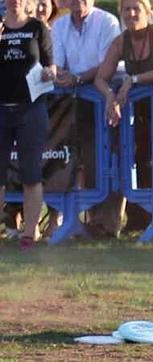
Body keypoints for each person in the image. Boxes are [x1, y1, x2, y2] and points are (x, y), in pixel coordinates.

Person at [94, 0, 153, 234]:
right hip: (147, 107)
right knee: (140, 156)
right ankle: (143, 218)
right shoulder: (121, 41)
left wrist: (133, 80)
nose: (131, 14)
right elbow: (101, 77)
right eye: (126, 9)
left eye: (136, 8)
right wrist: (109, 96)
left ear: (148, 12)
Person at [52, 0, 121, 237]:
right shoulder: (59, 25)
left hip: (104, 101)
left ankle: (106, 224)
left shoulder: (108, 21)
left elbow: (106, 66)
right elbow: (57, 64)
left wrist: (78, 79)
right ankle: (73, 221)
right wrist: (61, 76)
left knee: (103, 162)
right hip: (69, 105)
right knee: (66, 160)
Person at [0, 0, 57, 250]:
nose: (16, 2)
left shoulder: (37, 27)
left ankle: (29, 232)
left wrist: (50, 73)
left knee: (31, 172)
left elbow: (49, 64)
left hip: (31, 108)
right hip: (2, 107)